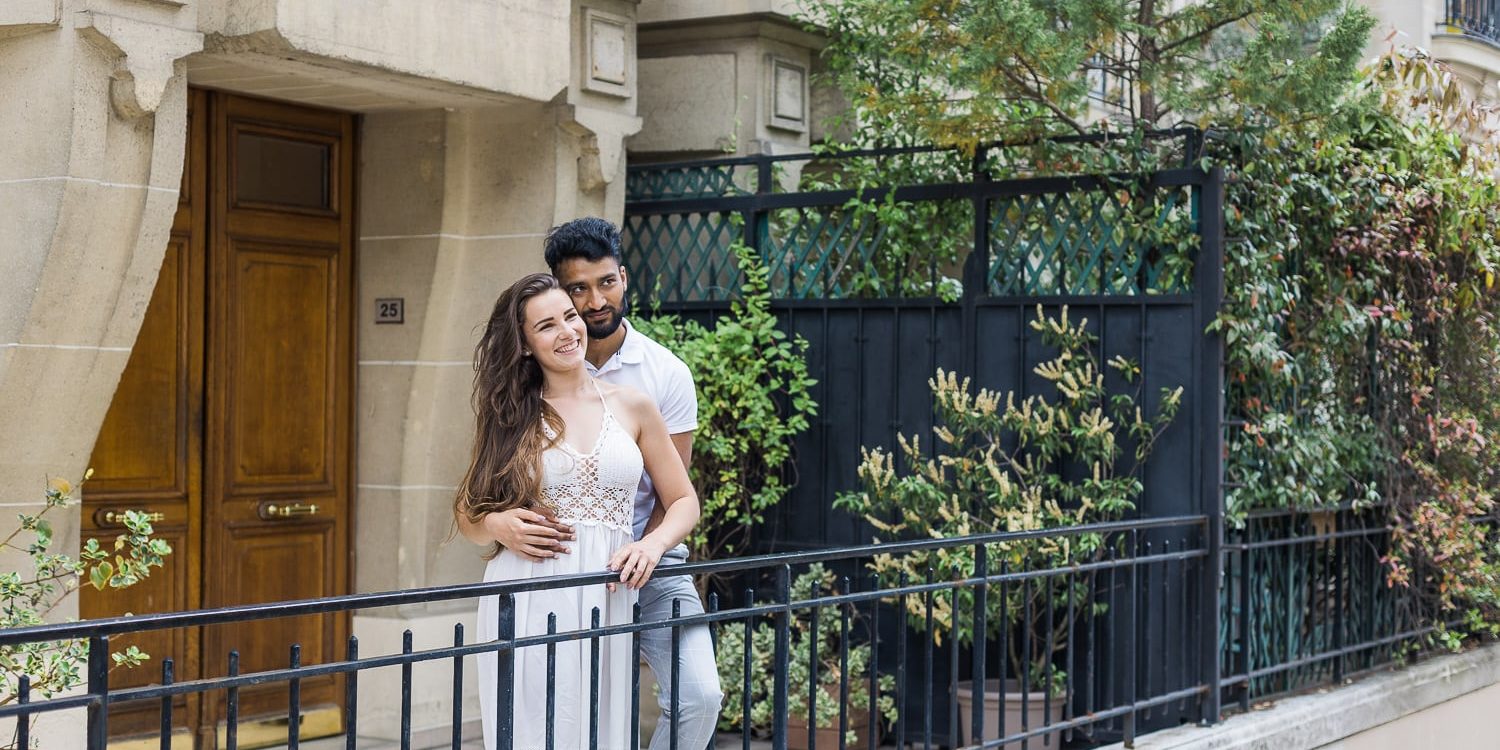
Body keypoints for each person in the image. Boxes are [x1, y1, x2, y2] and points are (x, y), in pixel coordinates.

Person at [475, 218, 724, 750]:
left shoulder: (660, 378)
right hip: (545, 575)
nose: (588, 307)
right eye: (574, 294)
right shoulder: (515, 404)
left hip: (643, 565)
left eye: (604, 283)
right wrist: (499, 524)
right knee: (551, 720)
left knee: (693, 697)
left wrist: (645, 550)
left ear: (624, 279)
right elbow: (474, 504)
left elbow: (674, 495)